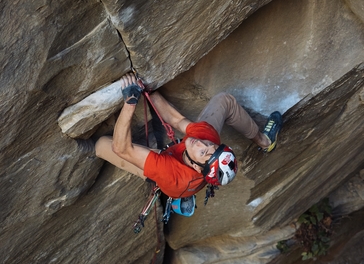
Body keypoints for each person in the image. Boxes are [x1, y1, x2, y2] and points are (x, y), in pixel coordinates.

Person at [80, 73, 283, 200]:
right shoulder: (207, 140)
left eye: (203, 151)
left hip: (171, 175)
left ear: (197, 167)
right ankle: (264, 141)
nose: (200, 142)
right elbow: (176, 121)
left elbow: (121, 148)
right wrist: (148, 91)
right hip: (180, 162)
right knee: (224, 101)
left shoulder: (171, 173)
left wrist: (130, 101)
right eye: (210, 145)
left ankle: (86, 149)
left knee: (101, 145)